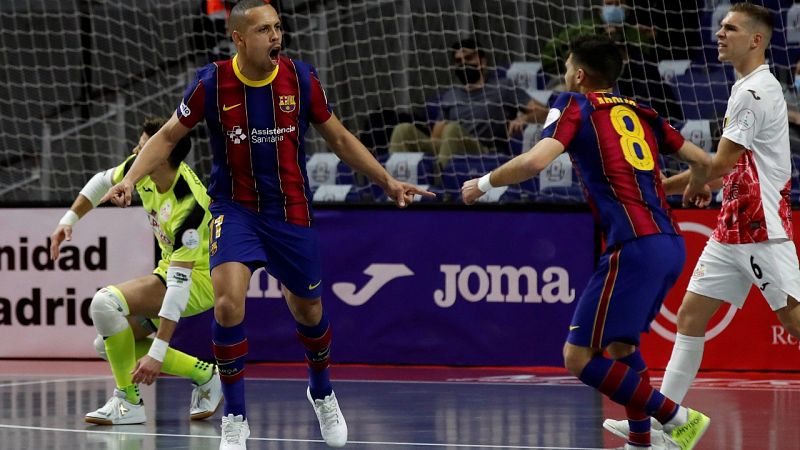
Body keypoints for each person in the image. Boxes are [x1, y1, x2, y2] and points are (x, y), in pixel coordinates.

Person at [101, 1, 433, 449]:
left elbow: (338, 137)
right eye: (263, 30)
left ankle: (321, 390)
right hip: (234, 210)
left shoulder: (301, 78)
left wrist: (386, 180)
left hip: (290, 210)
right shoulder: (211, 83)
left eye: (278, 27)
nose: (275, 36)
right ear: (238, 38)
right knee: (227, 305)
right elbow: (167, 136)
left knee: (308, 310)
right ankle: (235, 417)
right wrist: (129, 179)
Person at [462, 34, 713, 450]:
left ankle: (677, 418)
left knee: (577, 357)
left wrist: (484, 183)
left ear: (579, 75)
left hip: (633, 245)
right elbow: (704, 161)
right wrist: (695, 185)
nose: (564, 75)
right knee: (620, 345)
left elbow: (536, 161)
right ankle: (640, 442)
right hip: (669, 242)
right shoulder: (642, 110)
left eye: (565, 67)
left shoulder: (574, 104)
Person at [603, 3, 800, 446]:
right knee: (690, 317)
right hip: (731, 225)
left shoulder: (755, 92)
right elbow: (731, 167)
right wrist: (692, 183)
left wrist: (661, 187)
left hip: (759, 226)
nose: (720, 34)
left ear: (756, 40)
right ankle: (666, 424)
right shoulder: (744, 87)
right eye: (720, 26)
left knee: (794, 321)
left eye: (731, 28)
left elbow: (720, 163)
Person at [49, 117, 222, 425]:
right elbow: (102, 181)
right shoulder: (142, 169)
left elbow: (179, 287)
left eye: (143, 147)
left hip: (200, 278)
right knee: (108, 344)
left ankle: (128, 401)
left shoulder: (189, 208)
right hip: (170, 268)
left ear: (162, 155)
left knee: (104, 304)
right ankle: (205, 374)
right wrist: (68, 220)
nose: (135, 151)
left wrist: (159, 350)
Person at [389, 37, 548, 168]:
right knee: (402, 130)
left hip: (483, 150)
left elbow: (544, 112)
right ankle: (396, 184)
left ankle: (441, 184)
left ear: (482, 62)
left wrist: (523, 118)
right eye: (459, 61)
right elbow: (435, 139)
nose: (463, 64)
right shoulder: (450, 96)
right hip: (449, 146)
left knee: (452, 130)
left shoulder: (503, 86)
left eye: (469, 58)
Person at [541, 0, 655, 81]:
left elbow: (645, 68)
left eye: (619, 4)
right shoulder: (582, 29)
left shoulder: (636, 35)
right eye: (609, 4)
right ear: (600, 9)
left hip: (627, 85)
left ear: (627, 10)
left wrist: (622, 44)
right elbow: (550, 55)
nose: (614, 8)